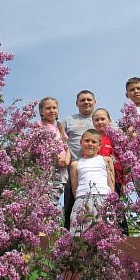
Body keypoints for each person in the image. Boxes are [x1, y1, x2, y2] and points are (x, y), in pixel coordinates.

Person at [60, 90, 96, 230]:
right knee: (70, 203)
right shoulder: (68, 120)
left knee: (97, 203)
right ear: (77, 104)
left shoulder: (100, 118)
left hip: (95, 167)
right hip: (73, 167)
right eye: (82, 100)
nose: (86, 102)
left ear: (94, 102)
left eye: (89, 99)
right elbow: (55, 136)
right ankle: (68, 237)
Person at [69, 129, 115, 235]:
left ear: (99, 145)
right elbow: (74, 186)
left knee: (106, 233)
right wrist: (81, 200)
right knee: (79, 233)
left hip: (104, 199)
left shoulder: (106, 160)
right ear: (81, 142)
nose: (90, 144)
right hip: (83, 200)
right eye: (87, 141)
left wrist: (110, 201)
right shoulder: (75, 164)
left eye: (94, 142)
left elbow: (111, 183)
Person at [92, 108, 129, 235]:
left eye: (103, 119)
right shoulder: (92, 139)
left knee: (117, 207)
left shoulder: (115, 137)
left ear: (109, 120)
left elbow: (124, 158)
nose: (100, 122)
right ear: (93, 123)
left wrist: (124, 180)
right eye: (96, 120)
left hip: (116, 179)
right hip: (98, 181)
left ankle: (124, 234)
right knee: (100, 209)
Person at [37, 97, 70, 207]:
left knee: (55, 196)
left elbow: (66, 147)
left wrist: (66, 160)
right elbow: (41, 145)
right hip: (47, 167)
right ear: (41, 111)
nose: (52, 110)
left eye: (54, 108)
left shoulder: (59, 128)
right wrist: (56, 158)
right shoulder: (39, 126)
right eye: (48, 108)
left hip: (61, 168)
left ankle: (50, 220)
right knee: (44, 196)